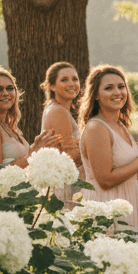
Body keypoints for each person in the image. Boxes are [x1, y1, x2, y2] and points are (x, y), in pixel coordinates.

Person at [80, 65, 138, 233]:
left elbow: (131, 174)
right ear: (95, 95)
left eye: (121, 87)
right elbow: (105, 180)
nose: (117, 92)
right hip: (107, 208)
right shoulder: (96, 128)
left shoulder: (120, 125)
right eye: (109, 88)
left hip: (130, 201)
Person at [0, 66, 59, 168]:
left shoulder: (6, 123)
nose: (5, 93)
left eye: (10, 88)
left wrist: (37, 148)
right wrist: (33, 153)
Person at [39, 62, 84, 198]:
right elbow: (67, 155)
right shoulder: (58, 112)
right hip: (63, 186)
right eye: (64, 80)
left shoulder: (58, 109)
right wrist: (96, 145)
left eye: (74, 79)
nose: (71, 84)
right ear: (52, 86)